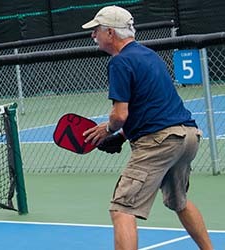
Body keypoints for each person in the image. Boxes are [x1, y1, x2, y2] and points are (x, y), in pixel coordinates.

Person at [80, 6, 214, 250]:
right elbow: (153, 105)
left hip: (159, 142)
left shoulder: (119, 62)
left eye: (97, 30)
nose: (93, 35)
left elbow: (120, 115)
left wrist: (108, 130)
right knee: (179, 202)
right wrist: (122, 136)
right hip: (188, 136)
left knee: (122, 209)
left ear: (110, 32)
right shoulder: (148, 55)